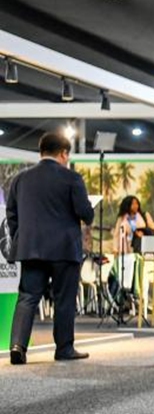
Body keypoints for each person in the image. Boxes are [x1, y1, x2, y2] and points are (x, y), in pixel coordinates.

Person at [6, 132, 96, 364]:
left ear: (41, 152)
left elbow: (12, 215)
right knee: (64, 299)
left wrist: (22, 237)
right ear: (64, 153)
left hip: (32, 248)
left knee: (27, 297)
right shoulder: (72, 179)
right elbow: (86, 214)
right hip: (64, 250)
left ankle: (17, 346)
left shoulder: (20, 179)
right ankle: (64, 348)